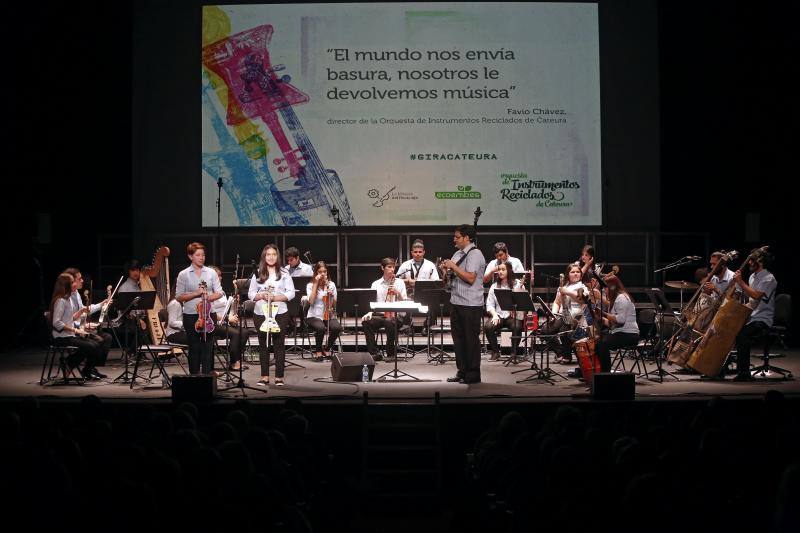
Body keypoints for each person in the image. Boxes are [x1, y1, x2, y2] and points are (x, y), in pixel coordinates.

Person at [441, 224, 486, 384]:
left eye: (457, 237)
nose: (454, 239)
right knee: (458, 339)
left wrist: (452, 266)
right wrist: (445, 272)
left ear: (467, 238)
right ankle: (462, 370)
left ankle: (473, 373)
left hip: (471, 304)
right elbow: (451, 278)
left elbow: (470, 278)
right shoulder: (457, 253)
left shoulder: (475, 254)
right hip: (456, 301)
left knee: (471, 340)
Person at [248, 244, 295, 387]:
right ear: (264, 256)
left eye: (274, 254)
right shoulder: (257, 273)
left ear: (277, 256)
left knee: (279, 344)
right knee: (264, 345)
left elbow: (291, 293)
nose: (271, 257)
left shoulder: (284, 273)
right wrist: (261, 295)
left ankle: (279, 376)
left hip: (280, 312)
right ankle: (264, 376)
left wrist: (276, 298)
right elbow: (251, 294)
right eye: (268, 254)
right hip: (260, 312)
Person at [175, 242, 223, 375]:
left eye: (203, 255)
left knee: (208, 346)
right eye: (198, 255)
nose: (201, 257)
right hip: (191, 314)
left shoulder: (211, 272)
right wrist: (197, 293)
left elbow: (220, 292)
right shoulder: (183, 274)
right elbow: (179, 297)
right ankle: (194, 376)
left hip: (208, 314)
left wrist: (208, 298)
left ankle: (207, 377)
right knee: (194, 346)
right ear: (191, 257)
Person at [732, 248, 777, 382]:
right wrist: (738, 288)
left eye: (752, 260)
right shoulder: (752, 277)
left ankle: (744, 373)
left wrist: (741, 282)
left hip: (763, 319)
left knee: (742, 335)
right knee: (730, 329)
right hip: (751, 316)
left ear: (760, 262)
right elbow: (749, 296)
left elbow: (756, 295)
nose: (749, 263)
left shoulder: (769, 279)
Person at [48, 273, 103, 380]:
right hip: (61, 337)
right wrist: (76, 330)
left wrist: (81, 311)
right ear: (66, 285)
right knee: (91, 346)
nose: (75, 284)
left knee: (95, 344)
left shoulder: (68, 299)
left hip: (69, 335)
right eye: (72, 282)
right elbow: (56, 323)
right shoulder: (60, 301)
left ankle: (69, 363)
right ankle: (69, 363)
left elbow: (70, 318)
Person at [62, 267, 112, 373]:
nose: (82, 280)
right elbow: (67, 320)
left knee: (107, 337)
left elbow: (83, 311)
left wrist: (101, 304)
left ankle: (90, 368)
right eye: (79, 279)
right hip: (70, 331)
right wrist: (83, 326)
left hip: (78, 328)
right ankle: (70, 362)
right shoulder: (65, 297)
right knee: (97, 341)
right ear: (72, 281)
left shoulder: (76, 294)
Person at [361, 258, 407, 361]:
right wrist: (369, 312)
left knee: (389, 321)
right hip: (381, 315)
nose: (392, 269)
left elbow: (404, 301)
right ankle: (374, 352)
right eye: (389, 267)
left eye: (393, 267)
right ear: (382, 268)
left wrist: (397, 293)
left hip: (396, 315)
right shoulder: (376, 284)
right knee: (367, 322)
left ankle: (390, 352)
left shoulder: (400, 283)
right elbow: (373, 303)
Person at [594, 274, 640, 372]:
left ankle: (605, 372)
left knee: (602, 344)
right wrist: (599, 318)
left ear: (612, 287)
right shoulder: (615, 299)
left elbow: (620, 320)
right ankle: (599, 371)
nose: (604, 291)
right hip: (620, 332)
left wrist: (603, 314)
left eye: (605, 288)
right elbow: (611, 324)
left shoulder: (621, 298)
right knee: (597, 342)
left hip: (630, 334)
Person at [484, 260, 524, 361]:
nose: (500, 272)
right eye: (499, 270)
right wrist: (494, 315)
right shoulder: (494, 286)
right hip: (499, 315)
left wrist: (517, 309)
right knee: (488, 326)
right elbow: (489, 304)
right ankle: (495, 352)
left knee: (517, 326)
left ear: (509, 271)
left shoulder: (517, 284)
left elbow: (524, 302)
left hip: (512, 316)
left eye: (503, 270)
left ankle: (513, 353)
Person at [210, 266, 248, 371]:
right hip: (213, 324)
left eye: (221, 276)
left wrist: (235, 302)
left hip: (224, 321)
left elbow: (226, 308)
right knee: (235, 333)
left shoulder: (220, 291)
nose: (221, 278)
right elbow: (210, 313)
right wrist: (228, 319)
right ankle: (234, 362)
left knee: (244, 332)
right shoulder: (208, 292)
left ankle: (235, 361)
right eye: (218, 276)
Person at [306, 261, 342, 361]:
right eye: (320, 272)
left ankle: (326, 348)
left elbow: (334, 305)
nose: (322, 274)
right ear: (316, 273)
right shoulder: (310, 285)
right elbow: (311, 301)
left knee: (337, 327)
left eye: (324, 271)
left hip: (328, 315)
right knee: (321, 327)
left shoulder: (331, 285)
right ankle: (318, 351)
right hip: (314, 316)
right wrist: (316, 284)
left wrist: (332, 295)